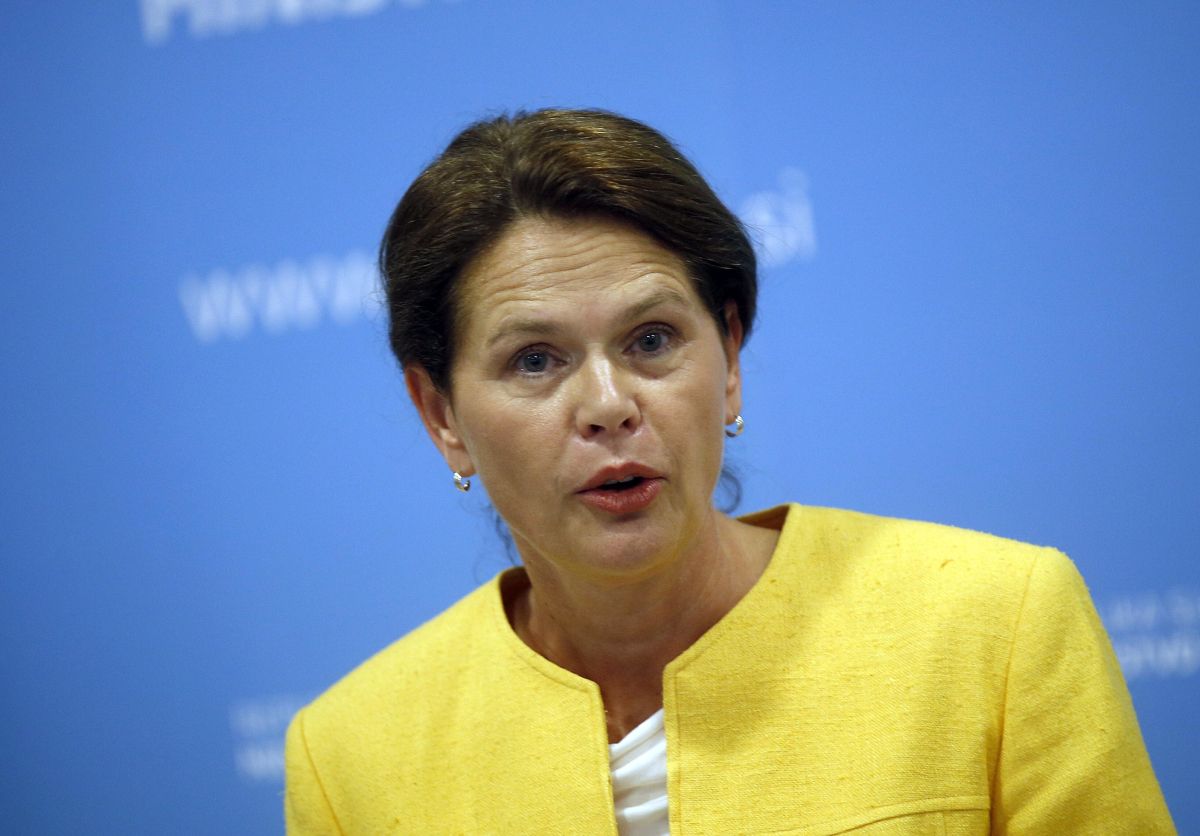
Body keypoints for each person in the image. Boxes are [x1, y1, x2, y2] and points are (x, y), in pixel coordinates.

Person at [284, 108, 1174, 834]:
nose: (608, 404)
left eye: (651, 340)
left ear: (731, 357)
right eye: (535, 360)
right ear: (441, 414)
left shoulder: (994, 627)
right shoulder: (351, 758)